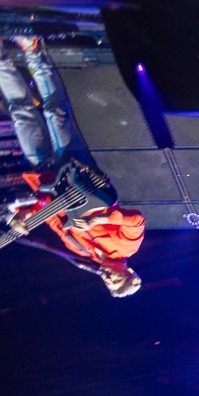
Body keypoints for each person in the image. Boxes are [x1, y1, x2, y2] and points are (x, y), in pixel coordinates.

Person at [0, 36, 144, 297]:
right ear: (129, 272)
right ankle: (33, 50)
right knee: (55, 111)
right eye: (117, 280)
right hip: (76, 169)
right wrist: (102, 218)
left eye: (109, 284)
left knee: (20, 113)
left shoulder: (79, 251)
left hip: (45, 176)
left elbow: (54, 214)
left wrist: (26, 215)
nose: (110, 278)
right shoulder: (126, 247)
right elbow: (136, 221)